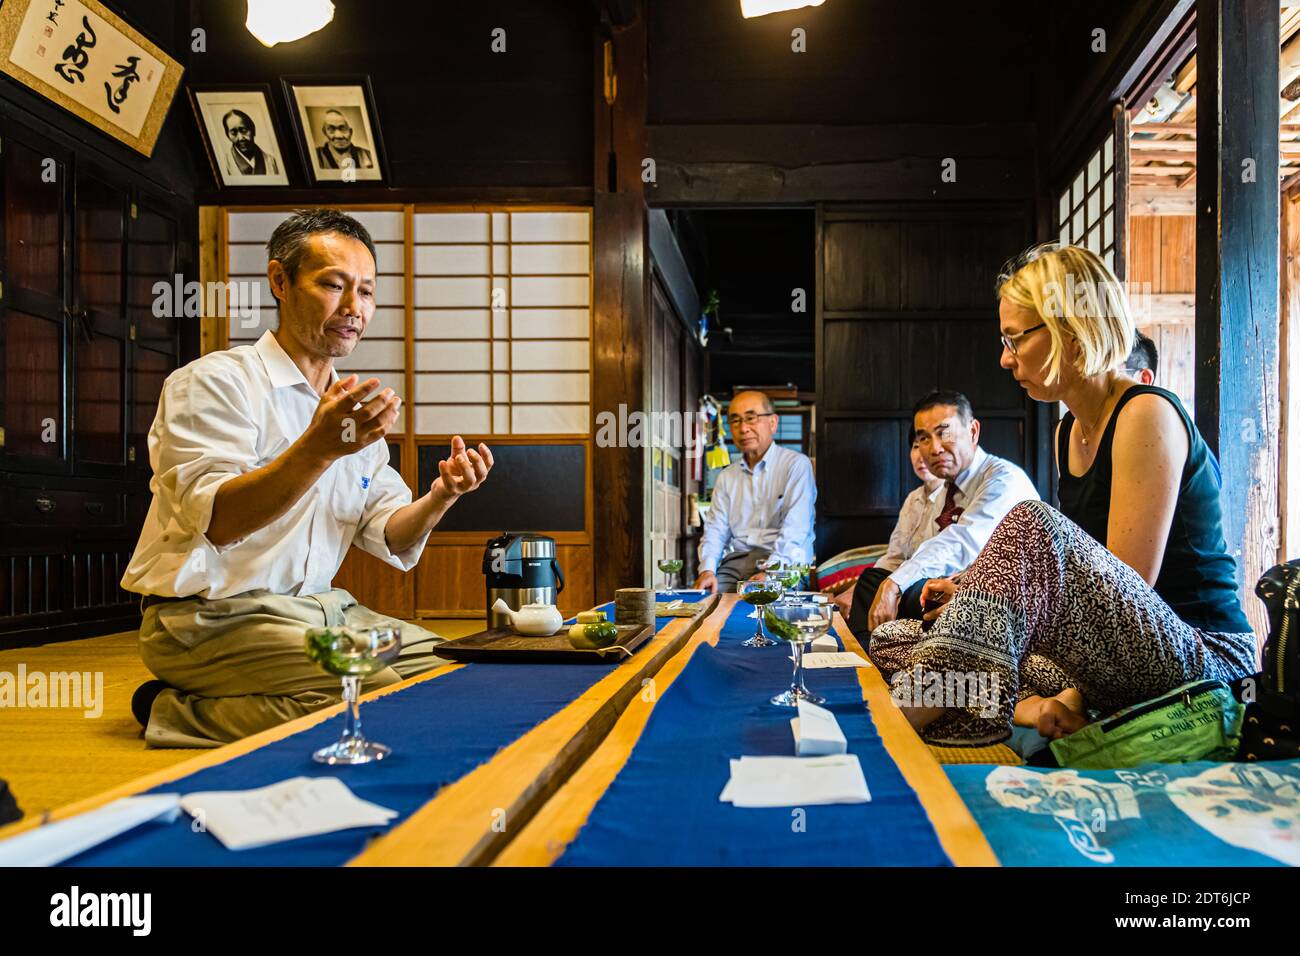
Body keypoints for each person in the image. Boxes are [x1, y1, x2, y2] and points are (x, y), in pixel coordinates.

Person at [122, 209, 493, 748]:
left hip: (326, 612)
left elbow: (392, 534)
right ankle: (174, 713)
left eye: (366, 291)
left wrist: (442, 495)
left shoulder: (351, 410)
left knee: (460, 678)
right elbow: (219, 521)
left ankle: (215, 705)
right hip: (208, 619)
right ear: (280, 281)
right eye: (332, 285)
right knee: (382, 700)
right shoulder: (213, 383)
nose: (353, 309)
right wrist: (318, 449)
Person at [870, 243, 1256, 747]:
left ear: (1072, 331)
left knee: (1029, 522)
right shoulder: (1067, 432)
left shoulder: (1146, 413)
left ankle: (898, 724)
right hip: (1111, 660)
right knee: (895, 637)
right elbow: (1079, 589)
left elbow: (1126, 586)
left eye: (1014, 338)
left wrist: (984, 601)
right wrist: (970, 587)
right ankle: (1036, 708)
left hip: (1201, 661)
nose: (1005, 359)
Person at [847, 390, 1038, 639]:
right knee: (874, 580)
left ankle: (866, 659)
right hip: (956, 584)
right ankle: (863, 660)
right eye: (923, 438)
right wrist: (890, 580)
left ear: (973, 431)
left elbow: (961, 542)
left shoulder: (1003, 479)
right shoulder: (948, 491)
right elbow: (921, 551)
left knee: (900, 588)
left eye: (944, 433)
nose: (934, 448)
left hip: (1006, 598)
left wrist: (895, 584)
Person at [694, 390, 816, 593]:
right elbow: (715, 529)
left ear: (773, 423)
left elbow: (796, 529)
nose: (743, 428)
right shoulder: (727, 477)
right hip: (736, 563)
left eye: (751, 418)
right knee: (705, 604)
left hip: (784, 564)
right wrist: (706, 570)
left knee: (772, 613)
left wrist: (771, 573)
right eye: (735, 420)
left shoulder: (796, 466)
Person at [221, 108, 280, 177]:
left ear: (253, 130)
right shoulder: (224, 164)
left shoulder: (272, 162)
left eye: (244, 130)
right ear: (228, 135)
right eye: (234, 133)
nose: (240, 138)